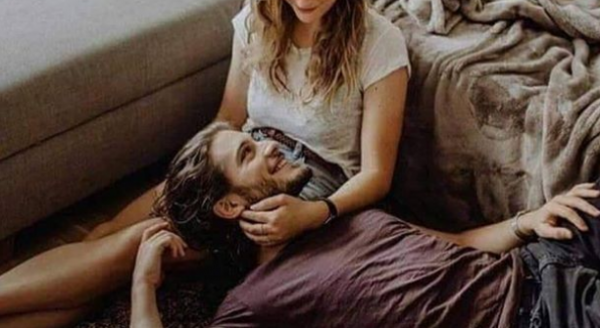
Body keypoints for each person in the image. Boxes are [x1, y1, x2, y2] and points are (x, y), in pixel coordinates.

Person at [0, 0, 409, 327]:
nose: (302, 0)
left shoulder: (379, 44)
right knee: (106, 234)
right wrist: (194, 174)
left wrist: (317, 212)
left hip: (304, 186)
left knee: (143, 242)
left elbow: (376, 174)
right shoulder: (260, 18)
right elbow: (228, 118)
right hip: (238, 157)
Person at [132, 122, 600, 328]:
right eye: (246, 153)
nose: (269, 145)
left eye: (254, 138)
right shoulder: (254, 301)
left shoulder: (335, 215)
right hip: (534, 317)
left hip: (540, 257)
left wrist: (529, 220)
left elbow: (459, 243)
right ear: (230, 205)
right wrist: (143, 286)